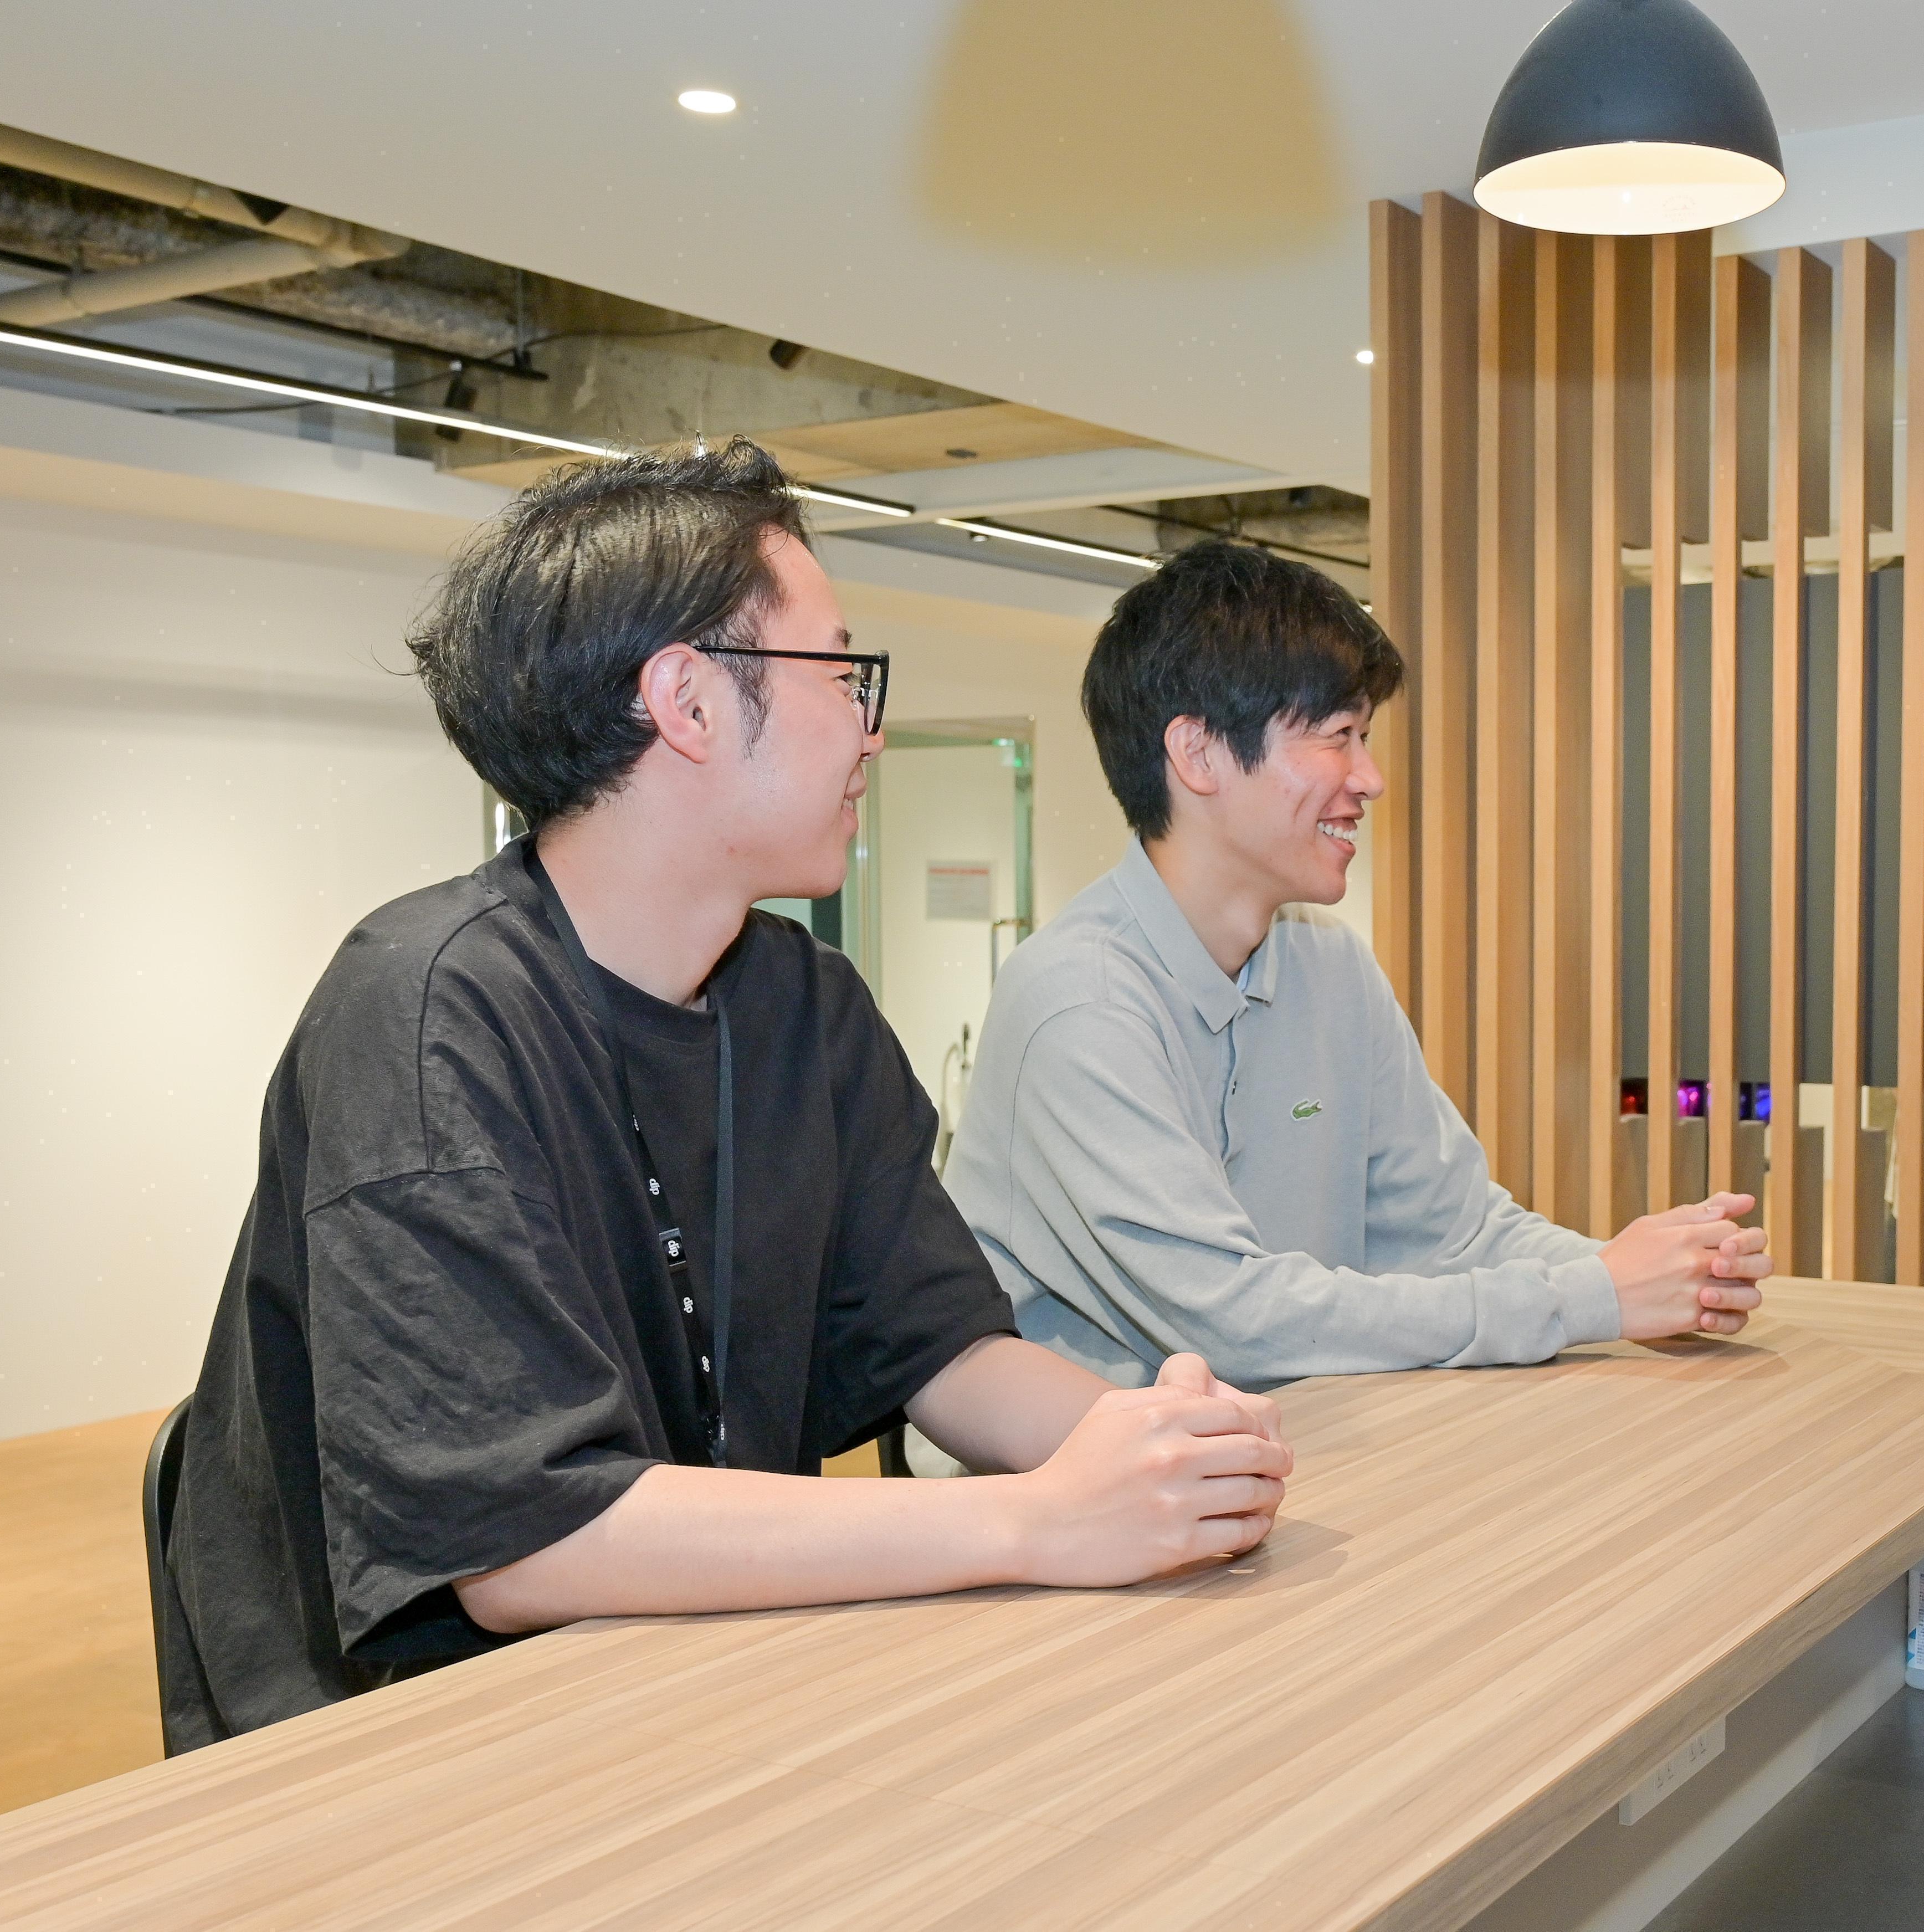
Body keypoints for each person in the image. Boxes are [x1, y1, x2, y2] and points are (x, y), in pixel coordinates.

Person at [163, 442, 1290, 1751]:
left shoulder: (805, 1006)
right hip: (413, 1745)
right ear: (688, 702)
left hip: (703, 1676)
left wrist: (1158, 1449)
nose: (870, 729)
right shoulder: (421, 1015)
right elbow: (524, 1545)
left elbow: (942, 1352)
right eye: (841, 674)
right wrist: (1031, 1520)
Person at [947, 541, 1768, 1388]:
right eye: (1338, 737)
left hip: (1300, 1429)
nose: (1370, 779)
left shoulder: (1329, 967)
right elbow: (1233, 1321)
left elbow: (1458, 1233)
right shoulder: (1080, 1002)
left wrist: (1655, 1275)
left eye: (1365, 737)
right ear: (1198, 754)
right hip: (1090, 1459)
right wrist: (1595, 1297)